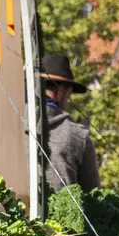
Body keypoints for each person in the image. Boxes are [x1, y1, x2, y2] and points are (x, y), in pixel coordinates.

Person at [40, 54, 99, 193]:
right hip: (57, 214)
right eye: (69, 94)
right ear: (61, 91)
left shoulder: (8, 122)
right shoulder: (78, 135)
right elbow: (93, 196)